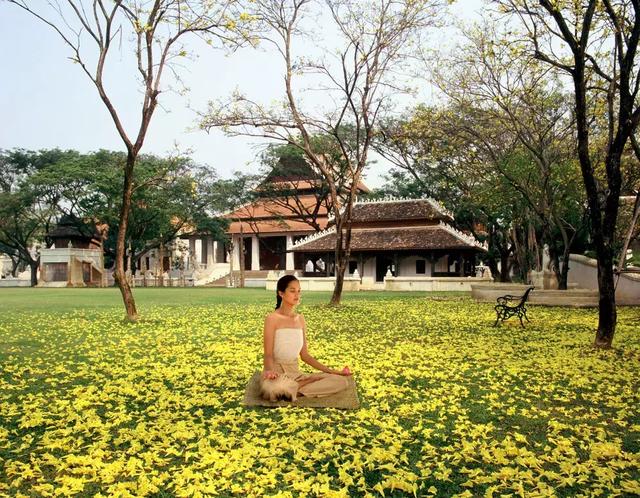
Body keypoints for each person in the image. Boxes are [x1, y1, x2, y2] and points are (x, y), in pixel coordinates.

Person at [261, 274, 352, 398]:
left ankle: (294, 388)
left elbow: (305, 356)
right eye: (292, 291)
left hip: (296, 373)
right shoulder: (272, 319)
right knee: (272, 389)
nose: (297, 295)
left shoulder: (300, 319)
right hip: (277, 374)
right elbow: (268, 354)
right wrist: (269, 371)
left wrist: (333, 372)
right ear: (281, 293)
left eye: (299, 291)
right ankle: (298, 387)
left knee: (341, 381)